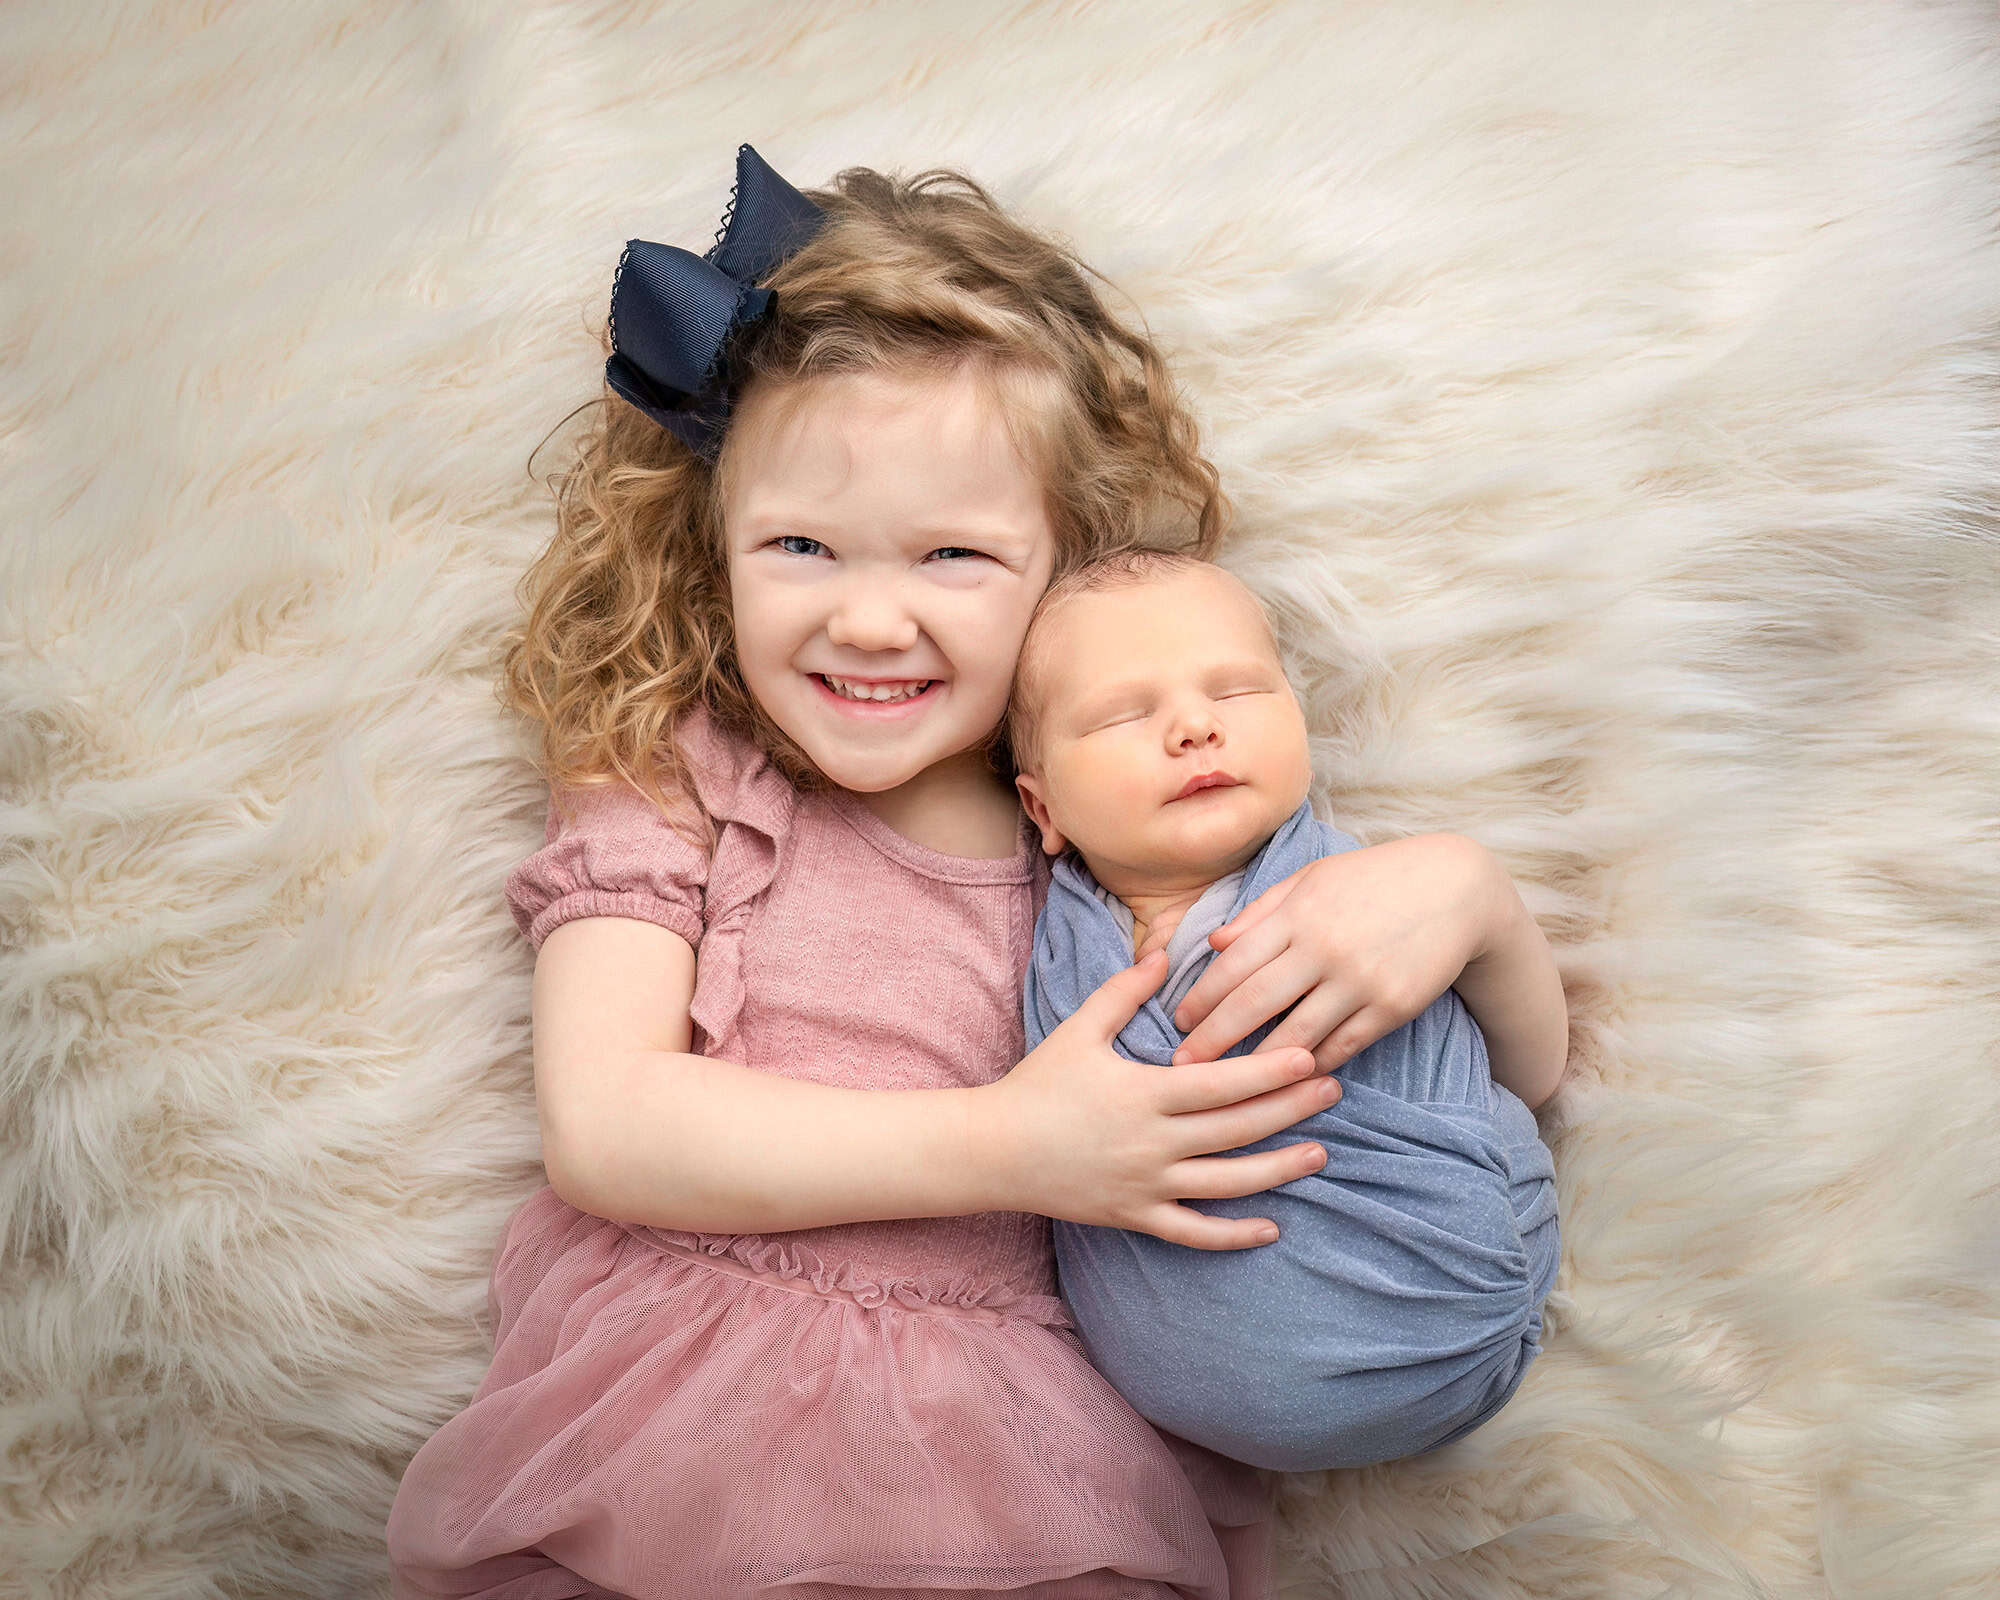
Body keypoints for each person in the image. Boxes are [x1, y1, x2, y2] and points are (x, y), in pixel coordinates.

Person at [386, 144, 1566, 1600]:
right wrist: (1011, 1148)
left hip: (1042, 1450)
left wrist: (1469, 900)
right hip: (706, 1419)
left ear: (1065, 563)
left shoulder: (1132, 814)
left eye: (951, 555)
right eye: (801, 545)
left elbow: (1514, 1088)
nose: (870, 620)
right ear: (713, 551)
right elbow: (607, 1125)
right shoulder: (681, 766)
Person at [1010, 550, 1566, 1475]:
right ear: (1043, 809)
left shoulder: (1367, 895)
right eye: (1122, 713)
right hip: (1161, 1387)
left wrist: (1482, 905)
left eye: (1236, 693)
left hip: (1456, 1284)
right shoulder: (1054, 938)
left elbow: (1535, 1076)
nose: (1193, 727)